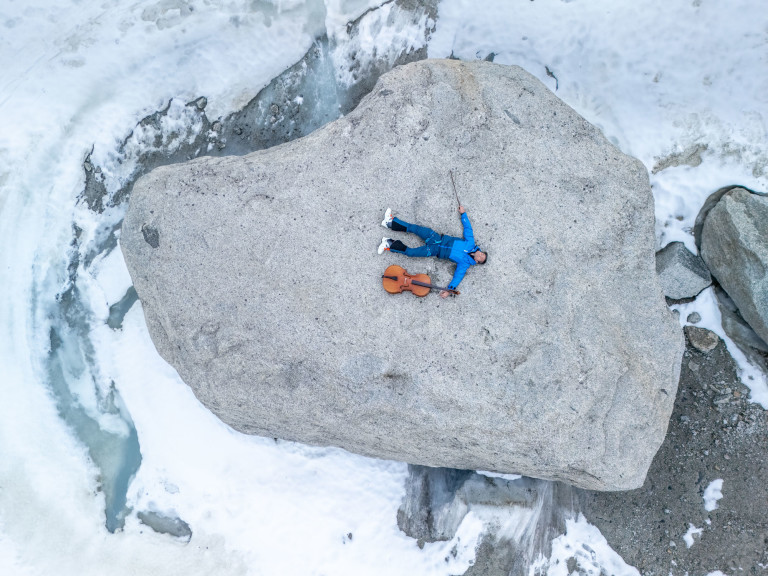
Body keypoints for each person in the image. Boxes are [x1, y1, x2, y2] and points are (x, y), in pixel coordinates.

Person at [378, 206, 487, 298]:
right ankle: (390, 222)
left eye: (481, 258)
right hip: (436, 238)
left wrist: (449, 290)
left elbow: (458, 277)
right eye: (482, 253)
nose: (480, 254)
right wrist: (463, 214)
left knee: (411, 253)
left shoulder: (465, 263)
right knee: (415, 229)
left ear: (477, 261)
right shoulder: (471, 243)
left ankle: (388, 243)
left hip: (434, 251)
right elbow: (468, 228)